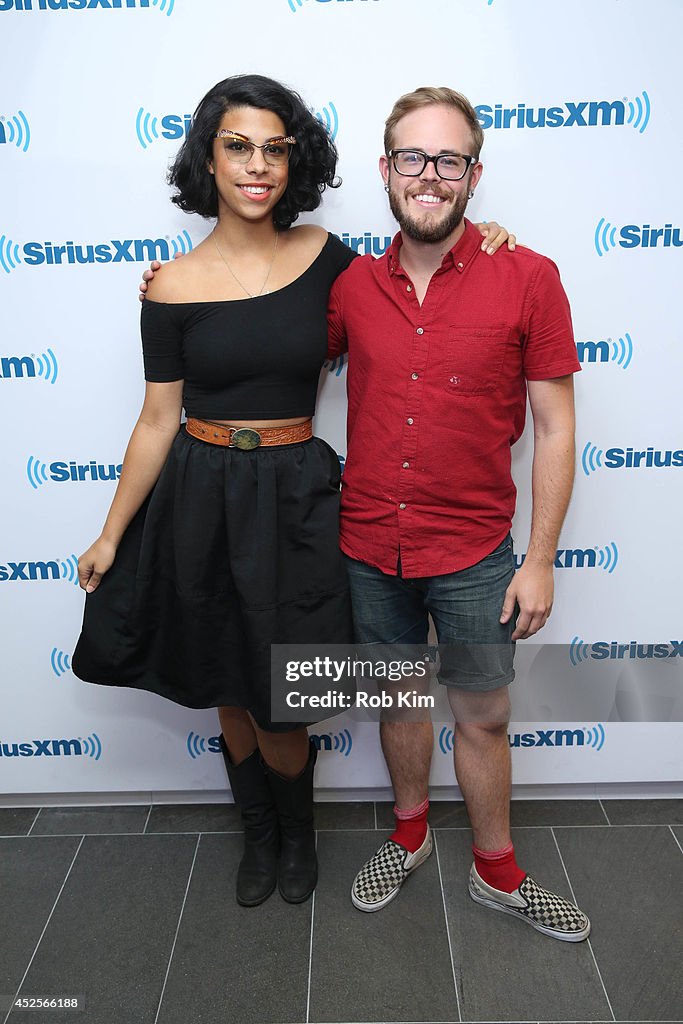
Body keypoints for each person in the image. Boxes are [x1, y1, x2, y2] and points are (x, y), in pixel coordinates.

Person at [75, 74, 512, 911]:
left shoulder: (328, 260)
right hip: (200, 493)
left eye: (275, 148)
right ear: (208, 157)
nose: (257, 165)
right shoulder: (168, 287)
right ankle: (260, 835)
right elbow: (156, 420)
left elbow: (413, 269)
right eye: (237, 145)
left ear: (295, 161)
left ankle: (298, 831)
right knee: (227, 680)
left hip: (296, 497)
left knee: (287, 690)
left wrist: (482, 237)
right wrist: (107, 534)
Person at [326, 86, 590, 941]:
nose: (428, 176)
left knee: (482, 715)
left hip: (477, 553)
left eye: (448, 160)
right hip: (368, 545)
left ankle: (494, 870)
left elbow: (554, 426)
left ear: (473, 174)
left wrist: (539, 558)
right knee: (397, 701)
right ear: (385, 169)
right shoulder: (349, 287)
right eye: (412, 157)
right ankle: (406, 836)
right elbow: (256, 325)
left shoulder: (530, 277)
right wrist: (174, 286)